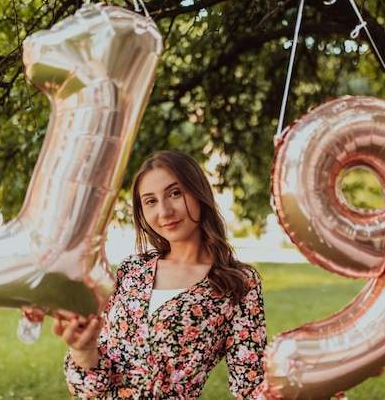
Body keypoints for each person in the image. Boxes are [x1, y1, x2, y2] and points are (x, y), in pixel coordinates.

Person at [52, 150, 267, 399]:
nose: (164, 211)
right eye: (150, 201)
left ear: (199, 193)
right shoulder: (131, 270)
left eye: (175, 193)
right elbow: (91, 387)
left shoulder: (238, 282)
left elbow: (251, 386)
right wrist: (83, 352)